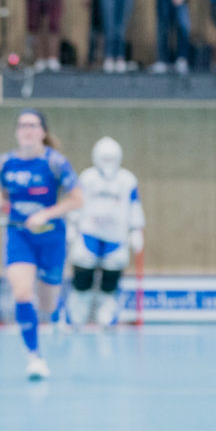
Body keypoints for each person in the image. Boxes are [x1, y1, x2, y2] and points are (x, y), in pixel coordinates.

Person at [0, 110, 83, 380]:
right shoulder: (6, 162)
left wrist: (47, 213)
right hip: (19, 236)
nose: (27, 130)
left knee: (46, 302)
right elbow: (2, 193)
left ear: (43, 131)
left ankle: (58, 311)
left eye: (33, 126)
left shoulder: (55, 162)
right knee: (22, 293)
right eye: (22, 126)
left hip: (52, 237)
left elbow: (78, 199)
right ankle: (35, 357)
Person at [66, 137, 144, 328]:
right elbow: (77, 202)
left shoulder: (127, 180)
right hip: (88, 235)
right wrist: (72, 225)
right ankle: (77, 316)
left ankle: (106, 317)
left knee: (111, 280)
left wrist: (136, 229)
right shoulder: (87, 177)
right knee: (82, 277)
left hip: (116, 238)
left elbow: (134, 205)